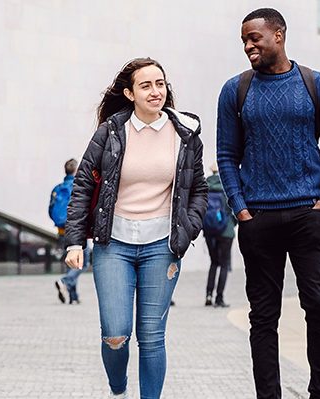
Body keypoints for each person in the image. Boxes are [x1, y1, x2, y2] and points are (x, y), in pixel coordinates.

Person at [217, 8, 320, 399]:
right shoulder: (235, 90)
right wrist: (239, 207)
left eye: (254, 38)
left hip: (307, 214)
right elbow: (226, 155)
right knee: (262, 316)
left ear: (278, 35)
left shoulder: (317, 85)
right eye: (244, 40)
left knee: (318, 305)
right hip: (257, 216)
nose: (248, 46)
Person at [63, 57, 207, 399]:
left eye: (160, 84)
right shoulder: (111, 131)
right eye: (146, 85)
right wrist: (74, 243)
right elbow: (83, 185)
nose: (156, 91)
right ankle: (118, 389)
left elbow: (199, 188)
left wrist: (188, 229)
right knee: (115, 333)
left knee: (152, 336)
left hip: (163, 245)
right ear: (130, 93)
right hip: (114, 244)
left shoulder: (185, 134)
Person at [50, 159, 88, 305]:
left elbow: (50, 209)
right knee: (83, 263)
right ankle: (64, 281)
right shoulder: (77, 186)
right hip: (77, 230)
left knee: (71, 261)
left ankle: (73, 297)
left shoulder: (57, 188)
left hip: (61, 229)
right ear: (76, 171)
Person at [203, 164, 235, 308]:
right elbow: (234, 208)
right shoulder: (227, 186)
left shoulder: (205, 185)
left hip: (209, 230)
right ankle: (219, 298)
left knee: (214, 262)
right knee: (224, 264)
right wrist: (232, 223)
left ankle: (208, 295)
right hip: (226, 231)